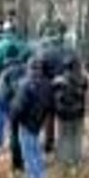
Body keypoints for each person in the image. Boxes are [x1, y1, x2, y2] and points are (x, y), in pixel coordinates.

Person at [10, 57, 52, 178]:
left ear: (29, 68)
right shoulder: (46, 83)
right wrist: (41, 120)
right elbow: (49, 105)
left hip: (26, 123)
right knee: (37, 151)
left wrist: (13, 119)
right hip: (38, 122)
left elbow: (18, 107)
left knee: (28, 154)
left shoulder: (26, 84)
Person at [0, 21, 29, 148]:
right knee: (20, 111)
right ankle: (19, 138)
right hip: (22, 84)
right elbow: (32, 65)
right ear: (15, 31)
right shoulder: (25, 46)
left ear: (4, 32)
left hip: (0, 83)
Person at [36, 22, 75, 154]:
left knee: (49, 116)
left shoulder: (44, 52)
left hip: (50, 87)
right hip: (66, 86)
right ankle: (64, 144)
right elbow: (74, 68)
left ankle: (49, 144)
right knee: (64, 116)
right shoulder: (69, 50)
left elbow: (40, 71)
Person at [52, 56, 88, 168]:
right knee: (77, 136)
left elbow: (56, 97)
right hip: (79, 112)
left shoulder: (58, 81)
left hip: (64, 114)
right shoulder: (83, 79)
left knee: (64, 136)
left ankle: (66, 160)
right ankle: (76, 158)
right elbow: (84, 91)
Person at [0, 47, 27, 174]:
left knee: (14, 135)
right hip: (26, 107)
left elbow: (1, 94)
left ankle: (16, 164)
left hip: (12, 109)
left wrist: (6, 110)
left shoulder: (5, 73)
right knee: (27, 134)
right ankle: (27, 160)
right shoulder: (26, 69)